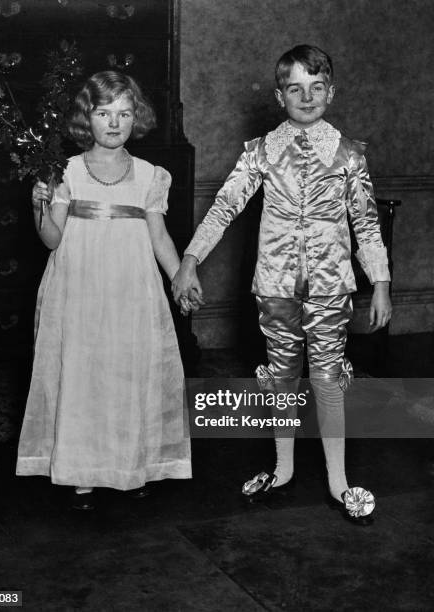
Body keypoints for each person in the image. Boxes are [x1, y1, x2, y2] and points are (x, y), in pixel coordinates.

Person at [172, 44, 392, 525]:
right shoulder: (260, 154)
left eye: (316, 87)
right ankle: (283, 469)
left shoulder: (350, 155)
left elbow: (367, 223)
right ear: (279, 96)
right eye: (295, 88)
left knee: (327, 378)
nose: (306, 96)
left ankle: (338, 482)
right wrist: (189, 259)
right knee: (284, 379)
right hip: (273, 287)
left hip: (332, 288)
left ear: (330, 93)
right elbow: (225, 206)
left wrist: (380, 282)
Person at [16, 70, 193, 510]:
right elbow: (53, 239)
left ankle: (129, 466)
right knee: (83, 374)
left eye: (125, 113)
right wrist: (38, 205)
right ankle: (82, 471)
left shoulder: (151, 175)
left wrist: (179, 276)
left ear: (138, 118)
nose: (114, 123)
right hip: (79, 287)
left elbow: (160, 237)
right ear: (86, 118)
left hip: (131, 289)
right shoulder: (66, 171)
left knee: (128, 373)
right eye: (103, 113)